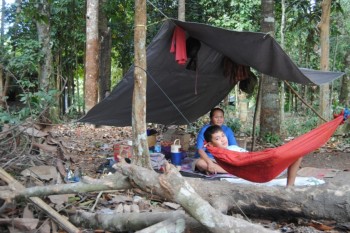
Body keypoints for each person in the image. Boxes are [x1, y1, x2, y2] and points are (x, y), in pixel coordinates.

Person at [204, 125, 302, 187]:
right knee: (292, 153)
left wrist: (261, 156)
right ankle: (290, 185)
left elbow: (248, 157)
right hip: (259, 170)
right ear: (211, 144)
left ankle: (290, 186)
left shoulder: (232, 147)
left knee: (297, 154)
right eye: (217, 138)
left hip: (261, 165)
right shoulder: (223, 155)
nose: (222, 139)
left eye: (223, 135)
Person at [193, 107, 238, 174]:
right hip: (207, 158)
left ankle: (213, 170)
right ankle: (232, 171)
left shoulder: (227, 130)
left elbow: (234, 147)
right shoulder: (205, 130)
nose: (219, 119)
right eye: (216, 117)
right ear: (211, 118)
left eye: (221, 117)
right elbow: (200, 150)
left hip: (223, 158)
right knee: (200, 163)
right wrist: (209, 162)